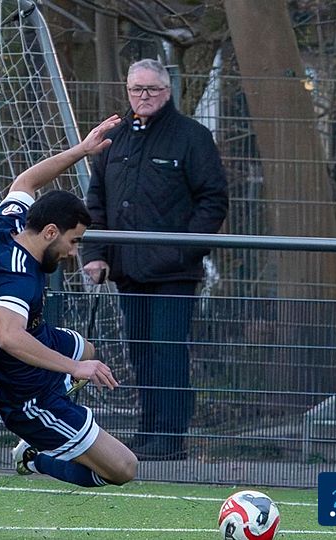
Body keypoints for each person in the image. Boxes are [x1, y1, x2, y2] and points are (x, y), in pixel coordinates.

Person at [0, 115, 138, 490]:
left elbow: (25, 181)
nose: (73, 252)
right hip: (26, 394)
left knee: (89, 349)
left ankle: (64, 400)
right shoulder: (17, 281)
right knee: (124, 469)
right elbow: (9, 337)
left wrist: (82, 150)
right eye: (73, 241)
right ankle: (35, 456)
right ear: (50, 231)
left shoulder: (13, 225)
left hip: (40, 338)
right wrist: (74, 367)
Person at [81, 59, 229, 461]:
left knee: (168, 351)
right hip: (128, 271)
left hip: (174, 273)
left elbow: (213, 200)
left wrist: (181, 250)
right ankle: (148, 430)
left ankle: (171, 436)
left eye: (151, 89)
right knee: (141, 352)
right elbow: (97, 200)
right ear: (127, 91)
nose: (143, 96)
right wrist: (95, 252)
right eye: (136, 89)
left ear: (167, 91)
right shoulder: (114, 139)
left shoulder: (191, 137)